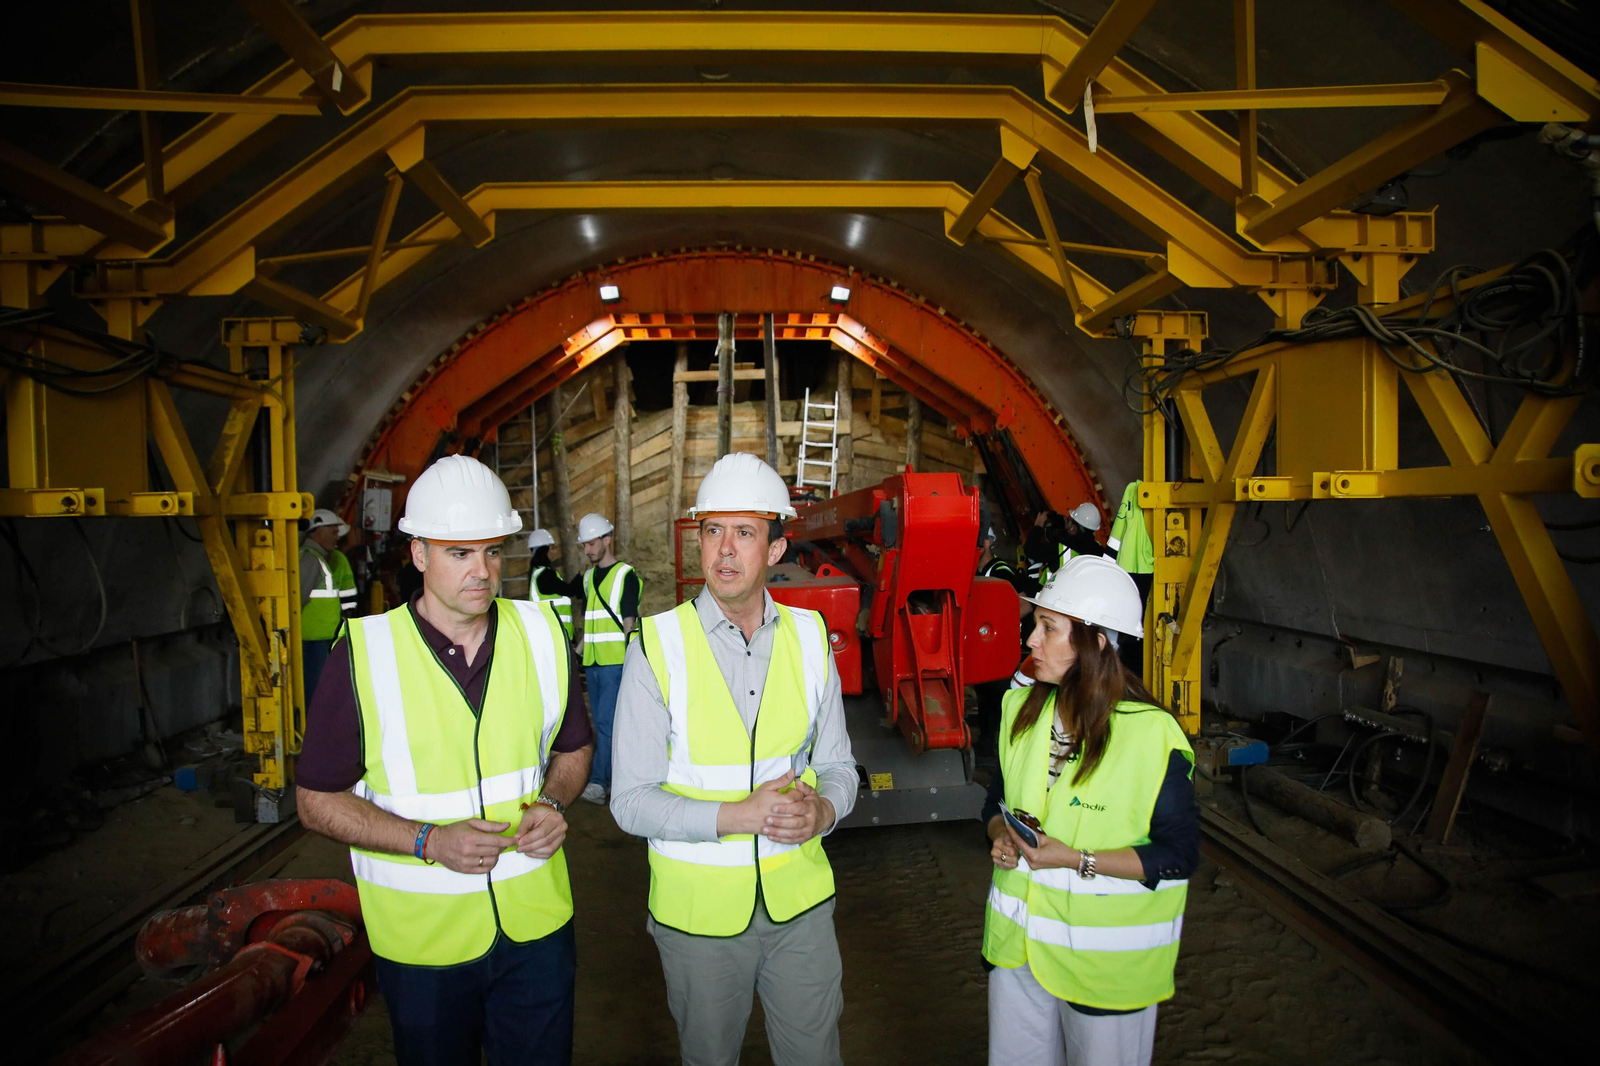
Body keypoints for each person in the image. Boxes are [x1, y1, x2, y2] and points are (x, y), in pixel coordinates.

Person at [295, 454, 595, 1066]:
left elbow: (573, 747)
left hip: (537, 932)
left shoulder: (542, 635)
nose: (481, 571)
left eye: (492, 551)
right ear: (420, 555)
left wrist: (554, 799)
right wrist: (428, 840)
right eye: (459, 553)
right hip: (424, 945)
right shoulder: (364, 655)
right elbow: (316, 800)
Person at [611, 452, 856, 1066]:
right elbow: (630, 802)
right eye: (711, 531)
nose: (724, 550)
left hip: (800, 910)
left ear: (776, 548)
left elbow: (840, 768)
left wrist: (824, 809)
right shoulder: (656, 647)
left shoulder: (809, 638)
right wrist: (734, 817)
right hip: (698, 922)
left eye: (744, 533)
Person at [983, 554, 1197, 1066]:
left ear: (1096, 643)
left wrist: (1077, 859)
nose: (1031, 640)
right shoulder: (1019, 711)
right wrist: (1000, 834)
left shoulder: (1151, 735)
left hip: (1106, 970)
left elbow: (1178, 855)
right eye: (1036, 624)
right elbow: (995, 802)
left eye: (1049, 628)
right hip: (1018, 953)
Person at [576, 512, 641, 805]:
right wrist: (575, 653)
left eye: (591, 544)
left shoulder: (625, 575)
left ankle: (601, 782)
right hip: (593, 662)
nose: (588, 550)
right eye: (585, 545)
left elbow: (629, 622)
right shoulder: (588, 578)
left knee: (605, 723)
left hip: (615, 662)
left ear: (607, 539)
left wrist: (631, 660)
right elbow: (592, 620)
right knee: (605, 723)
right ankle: (616, 780)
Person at [974, 527, 1030, 762]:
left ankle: (1003, 753)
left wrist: (997, 626)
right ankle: (986, 748)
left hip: (1001, 654)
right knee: (985, 700)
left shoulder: (1000, 571)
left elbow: (1025, 603)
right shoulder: (977, 572)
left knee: (999, 701)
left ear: (986, 543)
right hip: (986, 651)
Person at [299, 508, 358, 697]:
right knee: (315, 694)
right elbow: (296, 598)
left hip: (319, 640)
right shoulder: (310, 560)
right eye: (332, 532)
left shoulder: (317, 559)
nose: (336, 537)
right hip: (312, 643)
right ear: (317, 531)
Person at [1106, 482, 1154, 673]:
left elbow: (1117, 531)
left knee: (1129, 624)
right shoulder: (1138, 491)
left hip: (1127, 568)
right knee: (1140, 626)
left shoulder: (1133, 490)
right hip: (1148, 568)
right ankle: (1136, 669)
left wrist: (1108, 564)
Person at [1023, 502, 1105, 587]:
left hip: (1051, 596)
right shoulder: (1100, 551)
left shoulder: (1060, 549)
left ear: (1073, 528)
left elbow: (1030, 549)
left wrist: (1038, 527)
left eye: (1070, 521)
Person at [526, 528, 582, 641]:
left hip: (551, 635)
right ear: (544, 550)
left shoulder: (537, 574)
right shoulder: (545, 576)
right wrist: (582, 575)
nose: (554, 552)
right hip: (554, 636)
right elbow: (570, 590)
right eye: (551, 548)